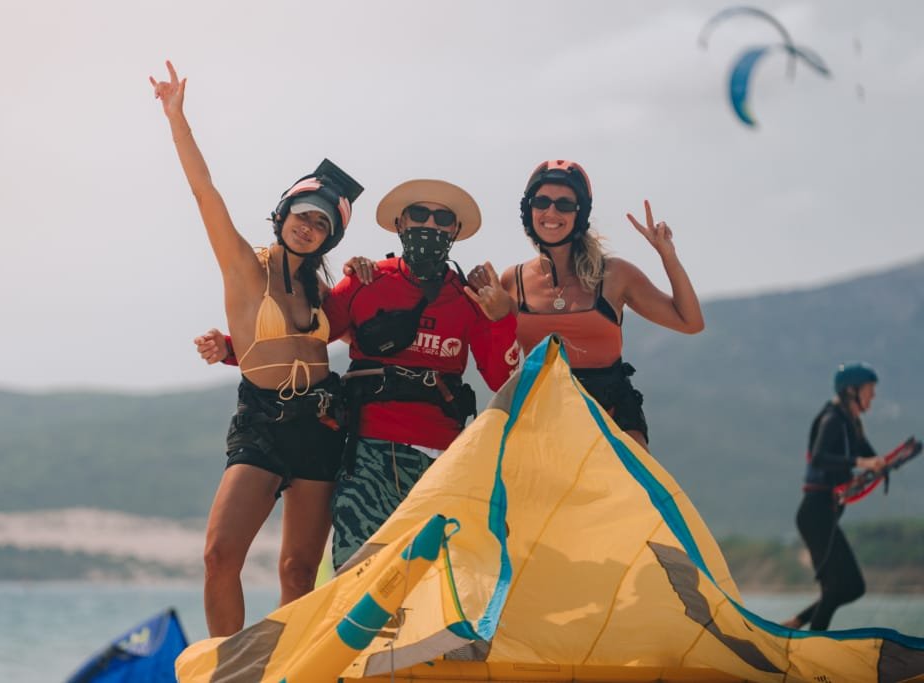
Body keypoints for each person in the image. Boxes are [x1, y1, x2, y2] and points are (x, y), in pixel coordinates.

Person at [197, 179, 520, 571]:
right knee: (358, 578)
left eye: (442, 219)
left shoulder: (472, 299)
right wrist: (232, 347)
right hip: (368, 455)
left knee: (442, 579)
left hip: (444, 457)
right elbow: (305, 336)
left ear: (454, 231)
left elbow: (502, 378)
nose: (430, 225)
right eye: (419, 214)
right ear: (400, 223)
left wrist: (502, 318)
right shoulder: (365, 283)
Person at [150, 60, 363, 636]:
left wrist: (227, 348)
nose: (308, 226)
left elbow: (357, 334)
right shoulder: (244, 266)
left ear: (330, 237)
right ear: (283, 214)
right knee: (220, 556)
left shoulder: (324, 292)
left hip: (320, 424)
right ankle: (229, 669)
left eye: (322, 223)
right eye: (302, 215)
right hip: (262, 421)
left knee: (297, 571)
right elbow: (204, 192)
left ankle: (295, 672)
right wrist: (177, 119)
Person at [469, 160, 704, 450]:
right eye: (542, 201)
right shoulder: (512, 279)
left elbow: (690, 322)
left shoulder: (615, 274)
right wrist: (497, 315)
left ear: (580, 214)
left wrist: (667, 255)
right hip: (540, 424)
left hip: (613, 424)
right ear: (529, 210)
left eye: (564, 205)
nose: (551, 212)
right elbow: (501, 364)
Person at [781, 363, 886, 631]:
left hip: (825, 515)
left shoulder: (852, 424)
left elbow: (871, 457)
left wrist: (881, 466)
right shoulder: (832, 420)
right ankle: (809, 651)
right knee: (840, 586)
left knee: (852, 587)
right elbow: (819, 457)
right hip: (815, 514)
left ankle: (797, 624)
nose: (873, 396)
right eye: (869, 390)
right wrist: (863, 463)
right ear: (851, 391)